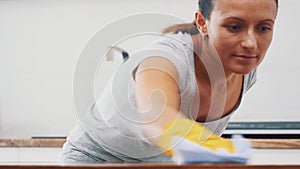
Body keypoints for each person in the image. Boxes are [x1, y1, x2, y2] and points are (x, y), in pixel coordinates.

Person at [60, 0, 279, 163]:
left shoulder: (245, 70)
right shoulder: (164, 59)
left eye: (263, 28)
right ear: (202, 22)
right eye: (234, 27)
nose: (251, 43)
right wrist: (216, 146)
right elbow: (158, 120)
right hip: (95, 161)